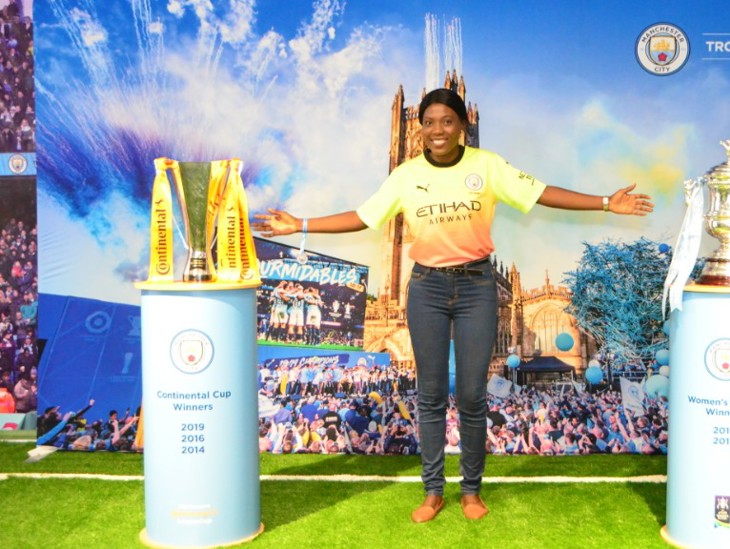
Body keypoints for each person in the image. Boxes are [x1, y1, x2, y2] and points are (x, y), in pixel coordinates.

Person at [254, 87, 654, 522]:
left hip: (476, 286)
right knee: (428, 394)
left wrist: (604, 203)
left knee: (470, 393)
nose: (437, 130)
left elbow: (541, 192)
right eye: (429, 123)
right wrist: (302, 224)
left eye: (447, 121)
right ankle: (432, 492)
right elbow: (364, 215)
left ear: (463, 126)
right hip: (426, 287)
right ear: (418, 129)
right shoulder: (406, 174)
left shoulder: (487, 166)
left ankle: (471, 491)